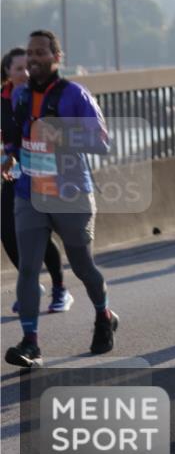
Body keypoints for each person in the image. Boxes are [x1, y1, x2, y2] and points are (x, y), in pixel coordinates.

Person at [2, 30, 115, 368]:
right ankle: (30, 343)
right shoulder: (20, 95)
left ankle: (103, 315)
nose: (34, 58)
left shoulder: (74, 94)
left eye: (41, 52)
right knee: (27, 268)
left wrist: (62, 133)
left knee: (82, 265)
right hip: (29, 192)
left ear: (56, 58)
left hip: (71, 192)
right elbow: (16, 134)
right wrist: (10, 156)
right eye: (30, 53)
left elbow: (102, 141)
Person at [1, 48, 70, 315]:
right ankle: (30, 285)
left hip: (42, 172)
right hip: (12, 175)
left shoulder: (38, 96)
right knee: (7, 232)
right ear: (7, 72)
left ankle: (60, 288)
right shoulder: (2, 100)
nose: (25, 73)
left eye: (28, 67)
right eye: (18, 68)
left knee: (41, 232)